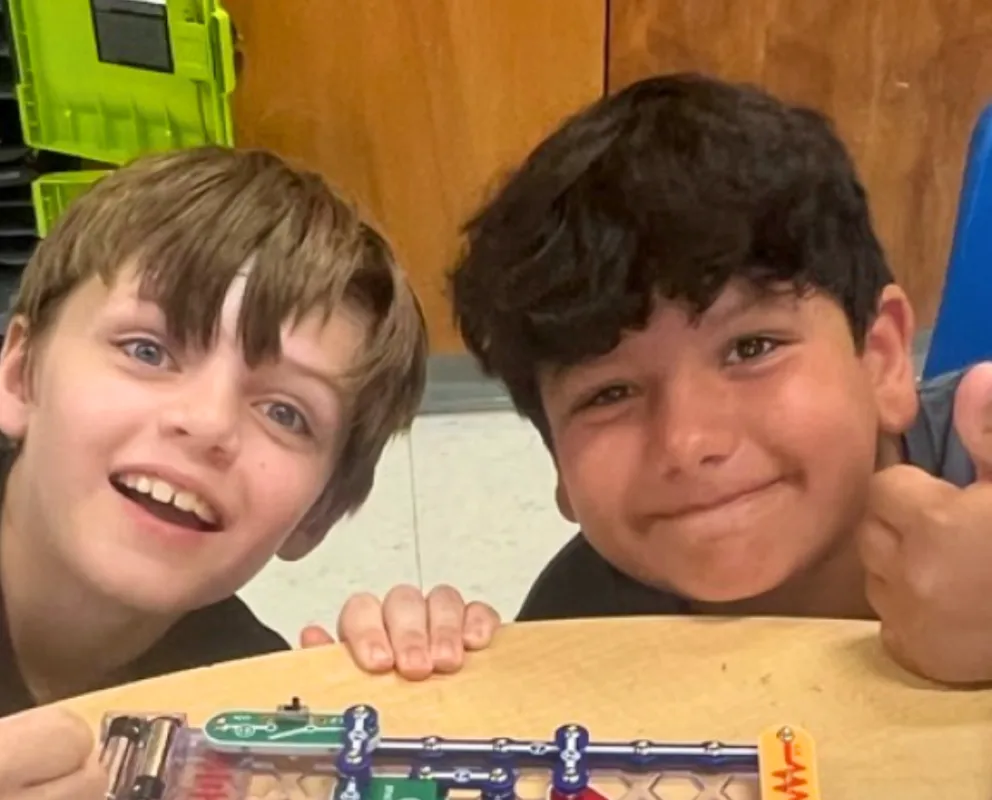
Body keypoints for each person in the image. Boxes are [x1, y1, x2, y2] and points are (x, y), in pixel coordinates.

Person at [349, 74, 992, 690]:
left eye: (751, 347)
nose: (689, 440)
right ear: (559, 468)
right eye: (610, 393)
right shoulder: (583, 630)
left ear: (881, 359)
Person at [0, 145, 496, 800]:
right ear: (19, 376)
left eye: (285, 412)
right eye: (147, 350)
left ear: (318, 515)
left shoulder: (242, 700)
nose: (207, 425)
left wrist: (413, 693)